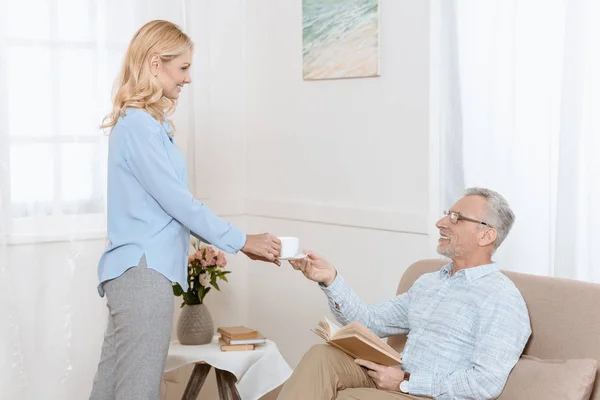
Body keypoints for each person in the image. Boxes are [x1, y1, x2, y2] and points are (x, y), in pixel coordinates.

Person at [89, 20, 281, 400]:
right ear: (156, 64)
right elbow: (179, 203)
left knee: (109, 389)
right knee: (136, 392)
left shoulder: (145, 124)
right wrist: (242, 241)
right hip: (143, 275)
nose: (188, 79)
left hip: (132, 274)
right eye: (184, 68)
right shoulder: (139, 126)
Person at [278, 187, 531, 400]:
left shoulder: (501, 298)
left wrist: (406, 382)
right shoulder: (429, 282)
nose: (440, 223)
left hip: (427, 393)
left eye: (456, 218)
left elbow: (485, 383)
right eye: (446, 215)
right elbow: (370, 322)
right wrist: (330, 279)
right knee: (322, 356)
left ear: (486, 235)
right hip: (394, 377)